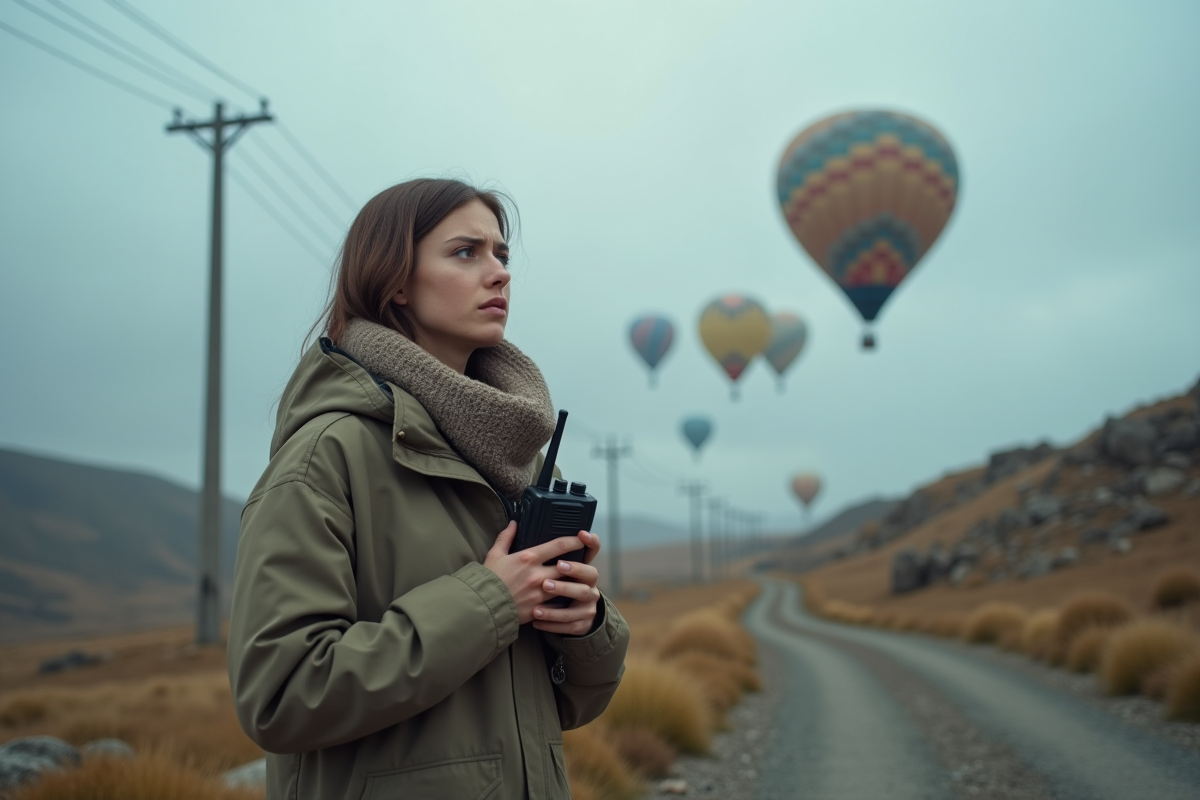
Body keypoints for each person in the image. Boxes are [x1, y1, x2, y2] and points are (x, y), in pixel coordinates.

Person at [227, 178, 630, 800]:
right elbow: (281, 696)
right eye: (466, 252)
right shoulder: (327, 456)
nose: (498, 273)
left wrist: (580, 625)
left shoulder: (500, 455)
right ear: (394, 281)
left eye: (501, 254)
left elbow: (568, 709)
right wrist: (491, 602)